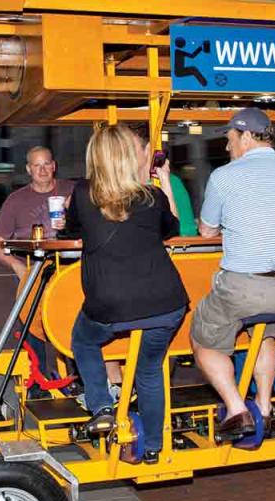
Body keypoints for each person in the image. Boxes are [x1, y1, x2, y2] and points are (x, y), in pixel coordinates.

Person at [67, 124, 188, 465]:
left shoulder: (82, 193)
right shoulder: (152, 197)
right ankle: (153, 447)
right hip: (166, 302)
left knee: (84, 341)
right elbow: (174, 229)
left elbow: (70, 231)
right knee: (149, 371)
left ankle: (102, 405)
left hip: (110, 304)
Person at [191, 108, 275, 443]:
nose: (227, 148)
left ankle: (236, 409)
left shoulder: (225, 176)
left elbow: (206, 231)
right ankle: (264, 405)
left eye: (230, 139)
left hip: (246, 287)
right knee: (264, 334)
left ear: (246, 137)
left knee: (204, 338)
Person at [0, 146, 76, 372]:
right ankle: (38, 381)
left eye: (47, 163)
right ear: (28, 169)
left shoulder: (72, 190)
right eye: (37, 165)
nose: (43, 169)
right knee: (32, 327)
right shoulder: (16, 200)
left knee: (72, 325)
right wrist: (17, 266)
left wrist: (73, 221)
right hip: (31, 270)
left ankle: (77, 381)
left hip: (69, 271)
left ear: (54, 165)